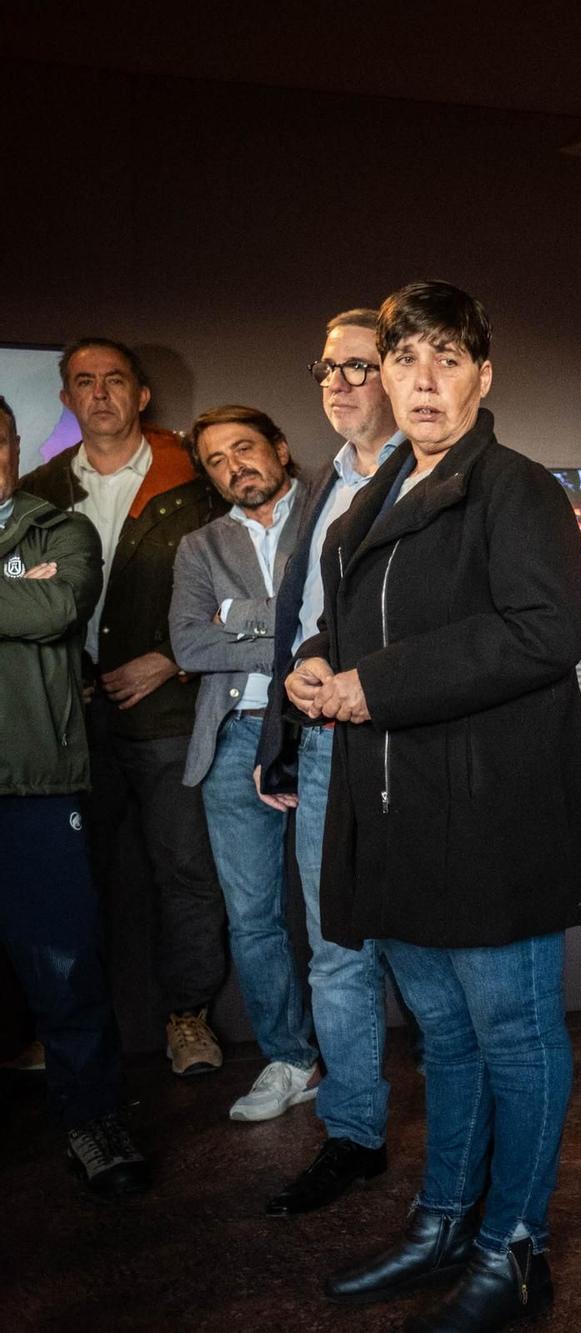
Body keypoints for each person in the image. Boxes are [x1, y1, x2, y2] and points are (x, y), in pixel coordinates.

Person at [290, 282, 581, 1329]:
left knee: (512, 1033)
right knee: (445, 1036)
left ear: (482, 375)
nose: (423, 379)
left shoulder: (513, 488)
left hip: (491, 820)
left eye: (446, 358)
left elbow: (540, 633)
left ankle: (514, 1245)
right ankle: (443, 1225)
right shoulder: (376, 494)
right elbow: (347, 620)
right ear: (382, 376)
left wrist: (373, 686)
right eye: (405, 359)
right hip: (399, 817)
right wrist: (310, 662)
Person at [17, 338, 230, 1075]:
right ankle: (69, 1029)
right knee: (77, 879)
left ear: (142, 395)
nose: (100, 393)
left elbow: (246, 586)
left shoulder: (196, 479)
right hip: (71, 720)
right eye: (84, 381)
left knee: (184, 871)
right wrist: (67, 670)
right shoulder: (38, 490)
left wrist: (172, 659)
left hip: (169, 715)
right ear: (66, 398)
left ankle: (188, 1017)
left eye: (115, 380)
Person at [252, 308, 406, 1217]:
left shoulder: (430, 475)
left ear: (397, 375)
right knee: (337, 953)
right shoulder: (316, 487)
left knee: (427, 944)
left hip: (402, 742)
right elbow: (295, 627)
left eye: (358, 365)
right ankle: (353, 1134)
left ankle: (472, 1138)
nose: (340, 383)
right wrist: (281, 744)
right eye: (326, 368)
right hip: (319, 746)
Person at [0, 393, 148, 1197]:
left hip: (36, 780)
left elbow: (56, 606)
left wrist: (33, 597)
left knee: (66, 966)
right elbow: (24, 605)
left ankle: (93, 1122)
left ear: (14, 445)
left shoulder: (58, 529)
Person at [169, 405, 323, 1123]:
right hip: (233, 737)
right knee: (252, 918)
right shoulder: (199, 546)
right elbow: (190, 649)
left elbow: (337, 623)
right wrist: (280, 626)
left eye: (245, 448)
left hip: (321, 728)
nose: (235, 467)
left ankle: (362, 1056)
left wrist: (236, 615)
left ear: (280, 448)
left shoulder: (329, 512)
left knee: (338, 907)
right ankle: (290, 1058)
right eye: (217, 461)